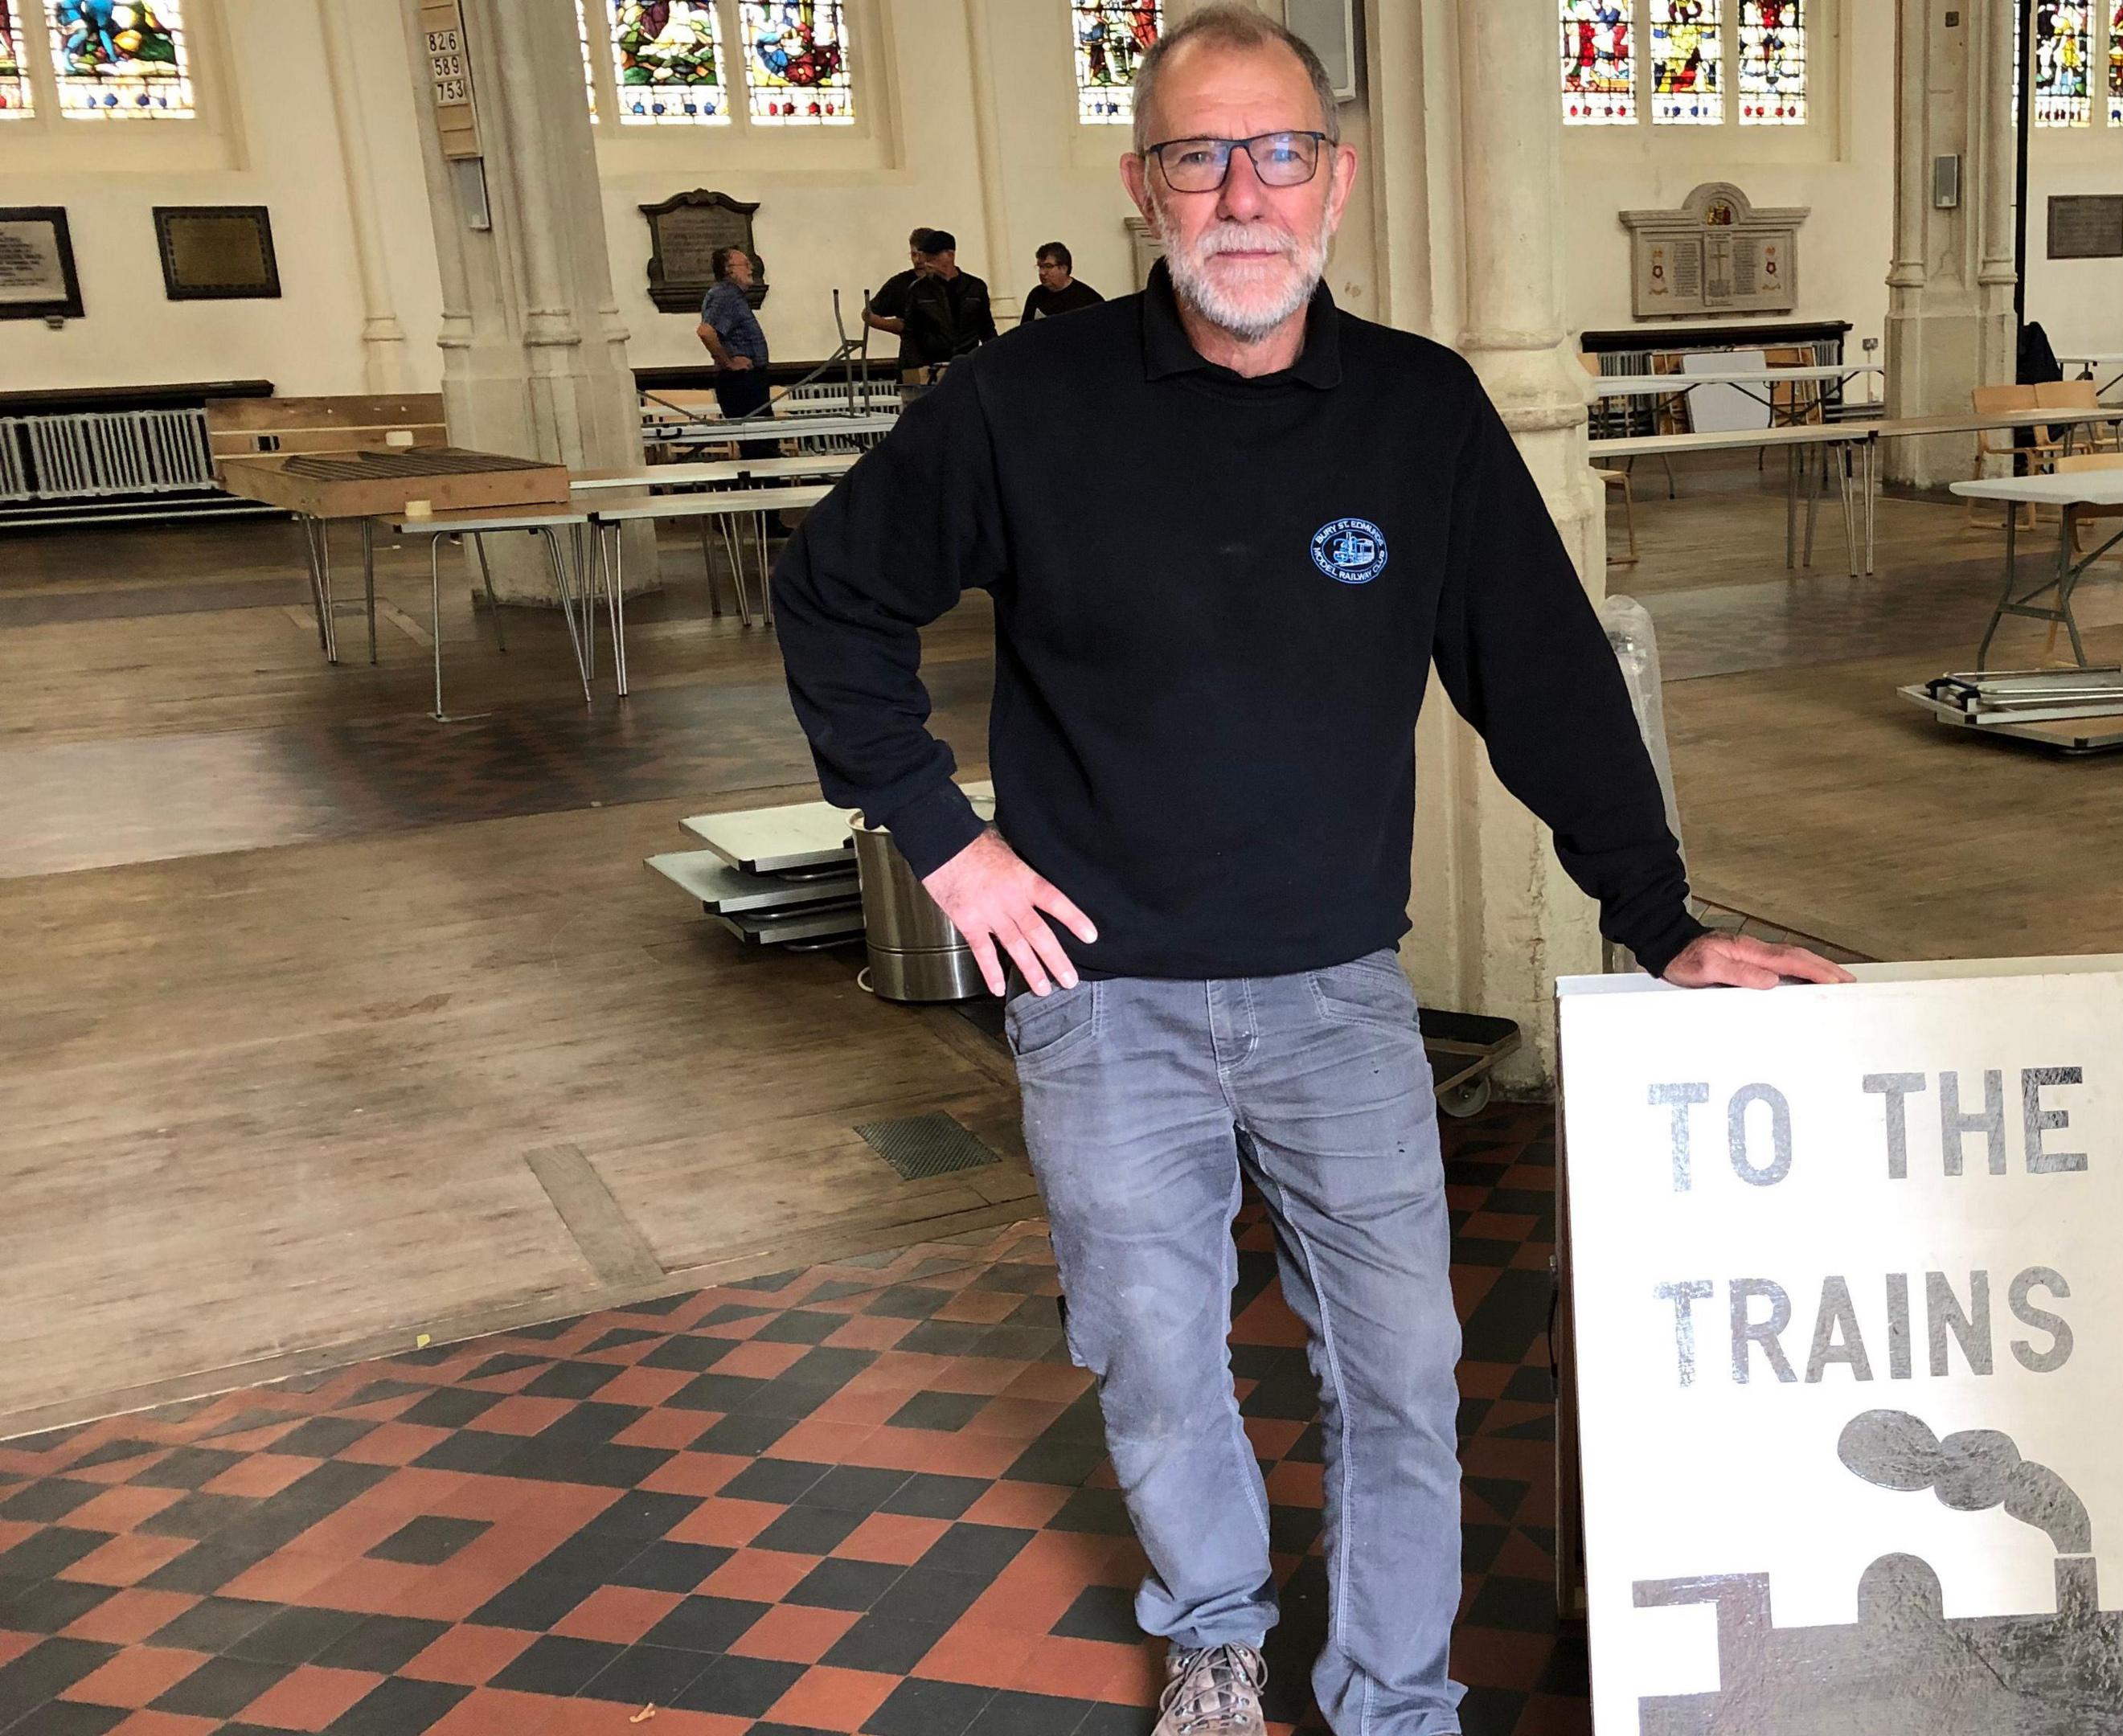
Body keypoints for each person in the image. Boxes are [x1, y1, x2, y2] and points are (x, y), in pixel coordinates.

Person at [768, 10, 1844, 1734]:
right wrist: (945, 846)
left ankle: (1394, 1696)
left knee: (1404, 1370)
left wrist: (1664, 923)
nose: (1243, 195)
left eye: (1280, 153)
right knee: (1154, 1354)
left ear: (1333, 180)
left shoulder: (1418, 413)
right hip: (1098, 999)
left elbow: (1547, 678)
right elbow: (832, 596)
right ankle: (1213, 1634)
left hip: (1339, 996)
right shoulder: (1024, 405)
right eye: (1201, 156)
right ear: (1145, 188)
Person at [865, 226, 997, 393]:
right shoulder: (915, 289)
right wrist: (920, 370)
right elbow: (909, 334)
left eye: (931, 256)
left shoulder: (975, 288)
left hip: (966, 368)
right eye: (918, 255)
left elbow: (987, 329)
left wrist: (994, 360)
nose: (923, 261)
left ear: (950, 255)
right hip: (929, 372)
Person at [695, 246, 777, 458]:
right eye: (745, 264)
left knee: (762, 444)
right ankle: (767, 491)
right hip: (742, 383)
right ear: (729, 270)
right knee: (761, 448)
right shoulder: (726, 294)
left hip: (748, 382)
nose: (751, 268)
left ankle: (765, 489)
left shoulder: (729, 295)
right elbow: (706, 332)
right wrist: (729, 362)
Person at [1024, 240, 1105, 318]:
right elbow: (1024, 330)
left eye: (1048, 266)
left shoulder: (1089, 299)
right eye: (1040, 267)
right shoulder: (1036, 295)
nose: (1042, 272)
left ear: (1064, 268)